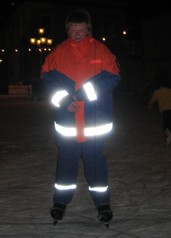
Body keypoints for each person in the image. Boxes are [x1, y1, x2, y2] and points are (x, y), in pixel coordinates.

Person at [41, 9, 120, 226]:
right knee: (66, 163)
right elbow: (48, 81)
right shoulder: (57, 53)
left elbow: (113, 77)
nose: (77, 32)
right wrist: (64, 100)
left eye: (81, 28)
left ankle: (102, 203)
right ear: (68, 30)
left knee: (95, 164)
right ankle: (60, 202)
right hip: (67, 122)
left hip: (95, 121)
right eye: (73, 28)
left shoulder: (101, 51)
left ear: (88, 29)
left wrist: (87, 93)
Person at [148, 77, 171, 146]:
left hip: (165, 110)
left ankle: (168, 137)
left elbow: (152, 100)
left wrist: (149, 104)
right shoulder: (170, 90)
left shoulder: (157, 91)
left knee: (166, 126)